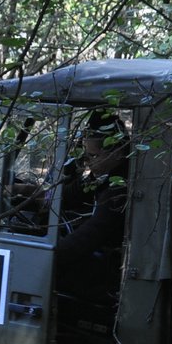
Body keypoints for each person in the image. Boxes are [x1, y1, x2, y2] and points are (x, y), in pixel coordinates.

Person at [53, 108, 131, 305]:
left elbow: (90, 235)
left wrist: (49, 254)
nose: (88, 162)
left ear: (118, 152)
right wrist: (28, 192)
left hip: (112, 274)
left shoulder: (119, 189)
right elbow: (69, 196)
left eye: (93, 156)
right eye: (86, 157)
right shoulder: (104, 176)